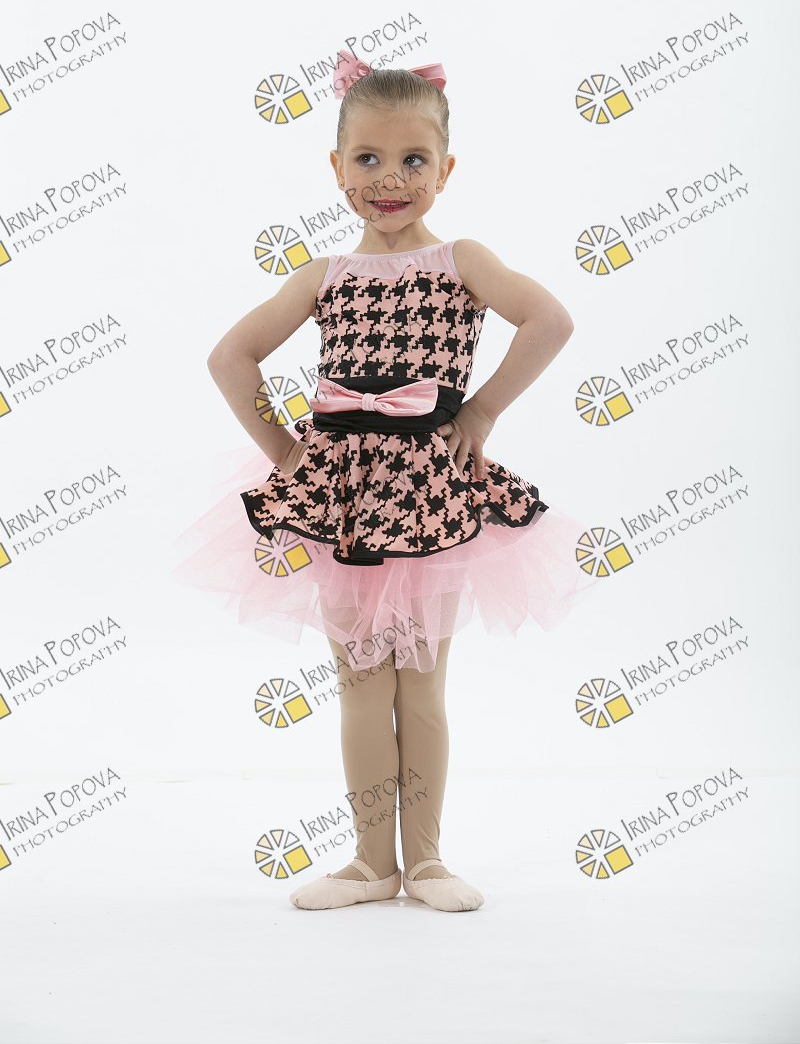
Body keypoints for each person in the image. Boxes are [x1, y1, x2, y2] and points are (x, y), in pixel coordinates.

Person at [172, 46, 602, 913]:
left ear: (446, 169)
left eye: (413, 159)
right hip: (342, 501)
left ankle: (429, 861)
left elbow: (549, 320)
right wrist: (286, 455)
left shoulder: (462, 261)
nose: (390, 179)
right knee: (362, 682)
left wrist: (479, 413)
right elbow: (230, 358)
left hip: (431, 494)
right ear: (336, 167)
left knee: (424, 683)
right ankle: (373, 864)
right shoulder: (324, 275)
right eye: (367, 158)